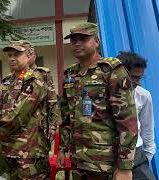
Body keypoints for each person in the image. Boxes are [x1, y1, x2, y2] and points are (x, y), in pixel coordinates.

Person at [56, 23, 138, 180]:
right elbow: (66, 117)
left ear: (96, 42)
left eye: (83, 39)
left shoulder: (112, 71)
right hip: (78, 160)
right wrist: (62, 149)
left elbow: (127, 121)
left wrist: (125, 167)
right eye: (73, 40)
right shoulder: (70, 75)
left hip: (104, 163)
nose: (77, 43)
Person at [0, 40, 61, 179]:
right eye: (10, 55)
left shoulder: (35, 80)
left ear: (29, 57)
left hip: (30, 151)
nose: (12, 58)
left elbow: (19, 115)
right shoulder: (9, 81)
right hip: (11, 149)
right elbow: (4, 111)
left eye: (16, 54)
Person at [117, 51, 156, 180]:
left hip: (137, 153)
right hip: (110, 154)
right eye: (134, 77)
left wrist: (147, 155)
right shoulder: (104, 95)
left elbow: (147, 126)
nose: (138, 82)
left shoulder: (143, 95)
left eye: (140, 78)